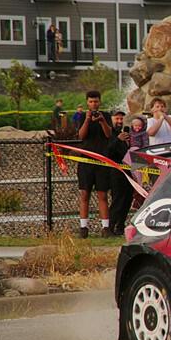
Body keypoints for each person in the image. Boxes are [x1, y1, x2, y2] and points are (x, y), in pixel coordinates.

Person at [76, 90, 112, 238]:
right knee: (85, 194)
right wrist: (87, 119)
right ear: (87, 102)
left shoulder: (106, 116)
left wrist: (102, 120)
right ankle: (83, 228)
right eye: (91, 102)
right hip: (86, 160)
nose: (93, 104)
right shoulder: (83, 116)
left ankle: (105, 228)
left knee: (102, 195)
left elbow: (109, 134)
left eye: (96, 101)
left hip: (102, 160)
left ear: (100, 102)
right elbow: (81, 135)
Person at [107, 110, 133, 236]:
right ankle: (110, 226)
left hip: (129, 170)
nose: (119, 121)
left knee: (128, 199)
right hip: (115, 171)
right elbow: (108, 152)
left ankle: (120, 226)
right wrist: (118, 140)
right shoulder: (110, 134)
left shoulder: (126, 133)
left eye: (121, 119)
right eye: (117, 119)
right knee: (117, 199)